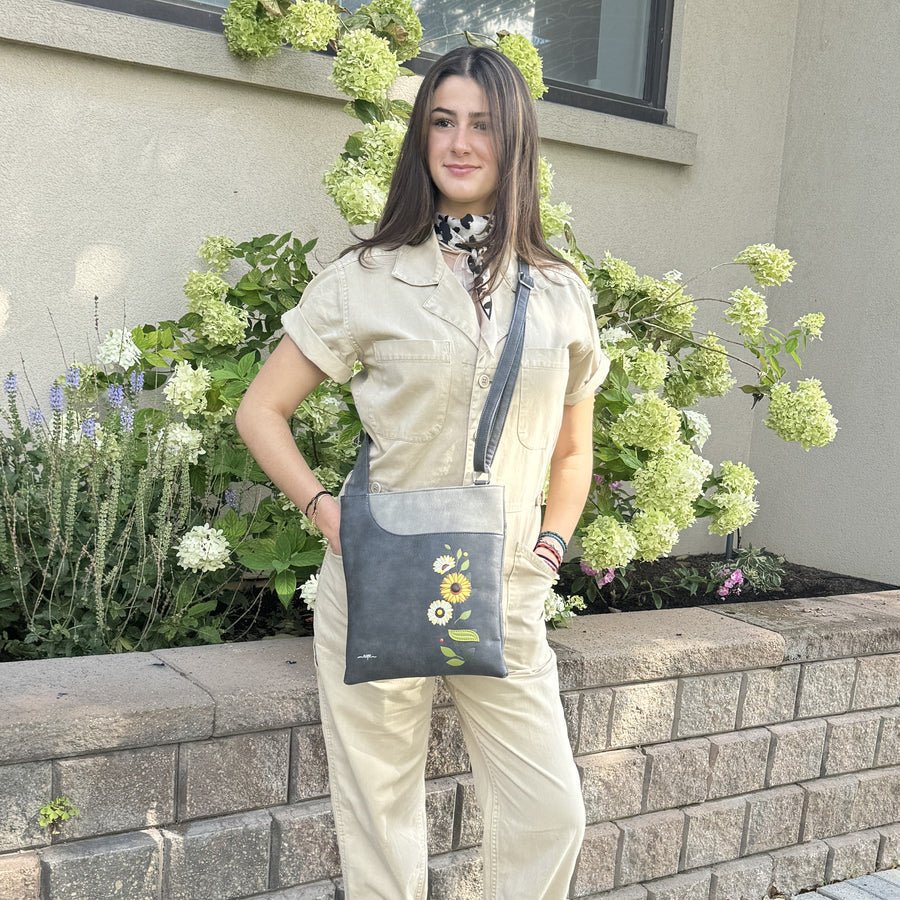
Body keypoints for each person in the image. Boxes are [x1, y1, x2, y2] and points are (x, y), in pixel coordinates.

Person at [236, 44, 609, 900]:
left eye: (481, 123)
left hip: (508, 585)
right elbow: (261, 410)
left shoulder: (559, 292)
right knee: (382, 822)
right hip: (383, 573)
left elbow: (571, 448)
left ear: (514, 140)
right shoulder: (363, 279)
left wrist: (551, 546)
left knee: (552, 812)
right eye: (442, 121)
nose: (460, 141)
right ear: (421, 139)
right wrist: (328, 514)